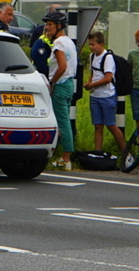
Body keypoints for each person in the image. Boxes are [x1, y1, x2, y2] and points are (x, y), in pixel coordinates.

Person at [43, 11, 77, 168]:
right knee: (64, 121)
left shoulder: (58, 44)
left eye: (50, 25)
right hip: (69, 84)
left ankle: (66, 159)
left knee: (62, 122)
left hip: (61, 84)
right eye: (47, 24)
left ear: (59, 26)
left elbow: (62, 66)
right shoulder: (69, 41)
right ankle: (61, 154)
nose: (47, 28)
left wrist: (52, 82)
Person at [84, 31, 126, 154]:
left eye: (93, 44)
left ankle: (125, 151)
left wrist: (91, 85)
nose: (91, 47)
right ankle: (98, 152)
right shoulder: (92, 57)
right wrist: (89, 83)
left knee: (111, 125)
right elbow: (93, 72)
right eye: (90, 45)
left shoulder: (108, 58)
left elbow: (108, 78)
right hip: (95, 95)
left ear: (101, 44)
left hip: (107, 96)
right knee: (98, 125)